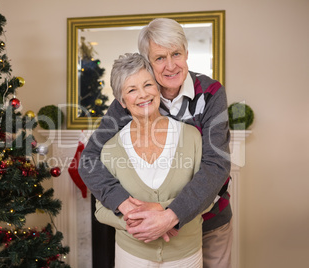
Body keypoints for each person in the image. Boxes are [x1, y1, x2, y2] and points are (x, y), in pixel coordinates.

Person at [79, 18, 232, 268]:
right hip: (143, 231)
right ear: (147, 62)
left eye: (176, 54)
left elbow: (215, 165)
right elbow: (88, 160)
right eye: (160, 58)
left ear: (186, 54)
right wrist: (126, 206)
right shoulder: (136, 99)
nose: (170, 65)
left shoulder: (211, 92)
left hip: (212, 219)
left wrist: (170, 216)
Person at [96, 52, 206, 267]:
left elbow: (208, 196)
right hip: (131, 255)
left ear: (157, 88)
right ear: (122, 101)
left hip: (186, 255)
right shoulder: (110, 148)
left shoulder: (191, 136)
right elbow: (101, 210)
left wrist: (163, 214)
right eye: (131, 90)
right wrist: (140, 225)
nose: (143, 95)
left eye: (148, 85)